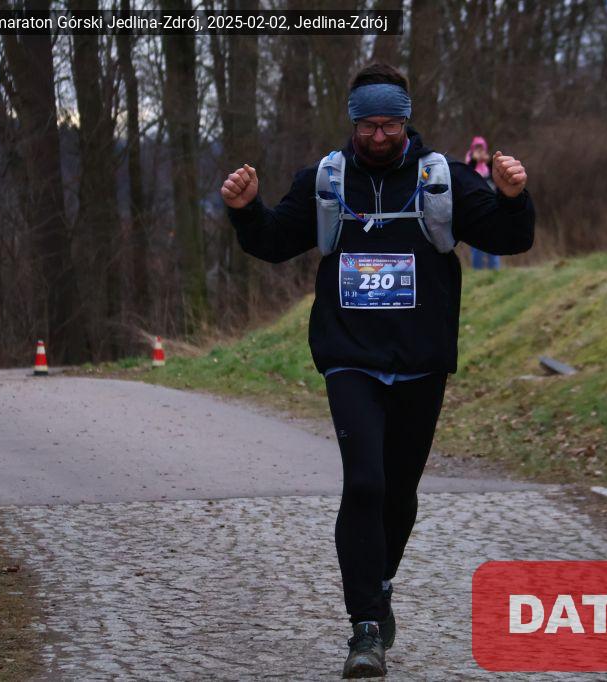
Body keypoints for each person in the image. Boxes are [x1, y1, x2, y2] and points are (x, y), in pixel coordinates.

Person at [220, 62, 533, 678]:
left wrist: (512, 198)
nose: (380, 136)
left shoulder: (442, 179)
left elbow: (509, 238)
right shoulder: (326, 180)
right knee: (364, 483)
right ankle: (364, 627)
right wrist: (247, 210)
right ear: (353, 123)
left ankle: (379, 580)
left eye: (391, 124)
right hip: (351, 358)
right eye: (369, 125)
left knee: (399, 491)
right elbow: (275, 241)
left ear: (406, 121)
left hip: (421, 362)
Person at [464, 136, 501, 270]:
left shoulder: (488, 166)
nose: (480, 152)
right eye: (477, 148)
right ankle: (477, 272)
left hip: (492, 208)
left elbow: (497, 180)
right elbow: (467, 176)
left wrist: (489, 162)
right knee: (476, 244)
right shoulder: (469, 163)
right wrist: (474, 160)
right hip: (475, 210)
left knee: (494, 240)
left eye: (482, 148)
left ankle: (495, 271)